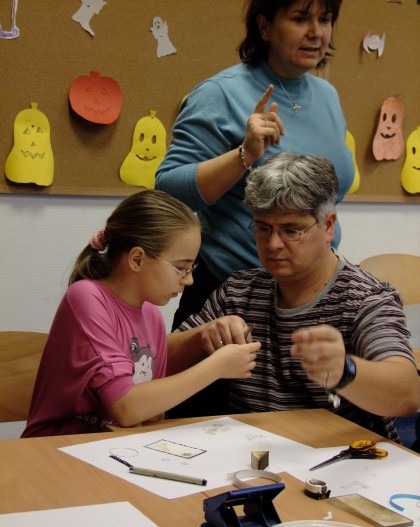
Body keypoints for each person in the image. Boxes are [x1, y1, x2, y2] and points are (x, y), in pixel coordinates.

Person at [155, 0, 353, 416]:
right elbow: (168, 189)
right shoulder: (220, 93)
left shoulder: (328, 95)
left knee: (303, 436)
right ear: (264, 26)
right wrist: (243, 154)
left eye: (325, 19)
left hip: (310, 298)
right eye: (300, 18)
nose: (316, 32)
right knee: (204, 435)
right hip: (230, 302)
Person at [168, 153, 420, 441]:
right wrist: (202, 336)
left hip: (345, 458)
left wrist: (345, 369)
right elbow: (153, 363)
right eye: (263, 228)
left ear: (328, 226)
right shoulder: (239, 291)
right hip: (255, 454)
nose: (273, 244)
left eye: (291, 230)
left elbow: (408, 395)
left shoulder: (366, 299)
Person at [22, 190, 260, 437]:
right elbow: (128, 408)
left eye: (192, 268)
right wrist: (217, 367)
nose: (189, 280)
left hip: (114, 444)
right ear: (137, 259)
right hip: (56, 446)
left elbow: (148, 411)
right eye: (181, 267)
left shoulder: (151, 314)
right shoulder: (85, 297)